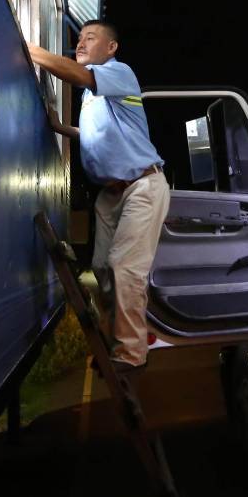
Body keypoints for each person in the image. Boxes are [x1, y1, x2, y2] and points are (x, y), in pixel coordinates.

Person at [28, 20, 170, 373]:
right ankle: (122, 336)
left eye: (90, 38)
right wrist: (62, 128)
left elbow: (78, 75)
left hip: (141, 186)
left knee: (125, 267)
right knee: (104, 269)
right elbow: (96, 133)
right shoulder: (93, 97)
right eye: (79, 38)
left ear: (111, 47)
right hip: (110, 194)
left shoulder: (117, 73)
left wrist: (33, 52)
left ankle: (132, 352)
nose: (80, 43)